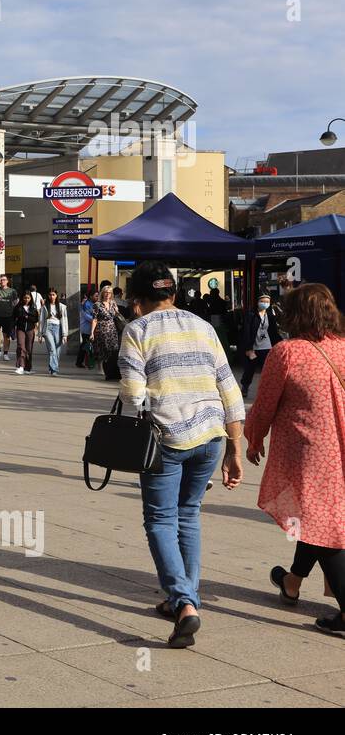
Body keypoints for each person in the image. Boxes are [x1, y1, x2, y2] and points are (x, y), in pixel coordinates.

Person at [118, 261, 245, 649]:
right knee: (188, 515)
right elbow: (230, 388)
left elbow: (132, 393)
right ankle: (185, 596)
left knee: (159, 519)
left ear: (138, 299)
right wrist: (235, 448)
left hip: (167, 438)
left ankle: (184, 603)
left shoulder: (136, 331)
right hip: (211, 435)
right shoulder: (203, 326)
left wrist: (136, 409)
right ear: (172, 293)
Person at [246, 284, 345, 635]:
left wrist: (253, 438)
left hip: (310, 450)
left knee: (321, 526)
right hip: (340, 448)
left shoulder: (287, 352)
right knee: (318, 515)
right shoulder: (344, 347)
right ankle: (292, 581)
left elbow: (265, 402)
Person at [239, 293, 282, 398]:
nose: (265, 304)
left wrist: (280, 343)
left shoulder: (270, 316)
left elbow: (273, 332)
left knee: (267, 369)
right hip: (253, 347)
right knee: (250, 369)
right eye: (263, 301)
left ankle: (267, 390)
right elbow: (246, 332)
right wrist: (248, 348)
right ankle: (245, 386)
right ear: (258, 303)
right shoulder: (251, 315)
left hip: (266, 346)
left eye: (267, 302)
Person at [89, 285, 122, 382]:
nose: (108, 294)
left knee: (114, 350)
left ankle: (111, 371)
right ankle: (104, 369)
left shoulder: (113, 303)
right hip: (101, 330)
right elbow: (94, 319)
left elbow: (117, 315)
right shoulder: (97, 305)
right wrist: (92, 333)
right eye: (106, 292)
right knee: (105, 350)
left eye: (110, 293)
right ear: (102, 293)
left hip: (112, 329)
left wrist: (116, 311)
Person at [39, 288, 71, 376]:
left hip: (58, 328)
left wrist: (65, 334)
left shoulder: (62, 306)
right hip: (48, 328)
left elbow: (65, 320)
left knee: (57, 350)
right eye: (50, 295)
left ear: (56, 295)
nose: (52, 296)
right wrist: (40, 334)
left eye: (53, 295)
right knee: (52, 349)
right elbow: (41, 320)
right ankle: (54, 370)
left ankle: (51, 366)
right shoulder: (45, 306)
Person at [12, 290, 39, 374]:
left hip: (30, 330)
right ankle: (21, 366)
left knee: (29, 349)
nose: (26, 299)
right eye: (25, 298)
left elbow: (35, 319)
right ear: (22, 298)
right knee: (20, 346)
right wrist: (12, 328)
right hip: (20, 329)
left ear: (30, 298)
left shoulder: (33, 309)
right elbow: (13, 318)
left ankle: (28, 368)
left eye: (28, 298)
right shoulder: (18, 307)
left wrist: (28, 317)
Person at [0, 274, 18, 360]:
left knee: (7, 336)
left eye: (4, 280)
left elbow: (16, 303)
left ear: (7, 281)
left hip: (8, 316)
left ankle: (6, 353)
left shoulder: (12, 291)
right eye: (1, 280)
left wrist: (14, 313)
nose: (2, 281)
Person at [76, 289, 95, 369]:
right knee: (88, 346)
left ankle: (80, 362)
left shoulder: (93, 304)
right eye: (96, 296)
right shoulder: (86, 304)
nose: (97, 297)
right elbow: (87, 316)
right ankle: (89, 363)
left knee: (85, 345)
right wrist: (96, 319)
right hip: (87, 328)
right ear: (91, 296)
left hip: (90, 328)